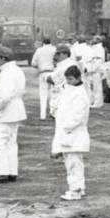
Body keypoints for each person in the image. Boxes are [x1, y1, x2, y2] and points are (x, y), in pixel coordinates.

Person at [0, 46, 27, 184]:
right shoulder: (17, 70)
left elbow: (4, 96)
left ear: (3, 58)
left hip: (6, 112)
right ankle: (11, 171)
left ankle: (2, 172)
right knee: (10, 142)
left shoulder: (7, 73)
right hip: (16, 110)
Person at [52, 65, 90, 201]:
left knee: (74, 163)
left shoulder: (80, 94)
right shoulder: (69, 90)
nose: (68, 81)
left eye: (71, 79)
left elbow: (77, 116)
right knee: (70, 162)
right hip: (67, 134)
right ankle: (79, 187)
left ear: (78, 78)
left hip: (74, 133)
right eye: (67, 79)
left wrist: (66, 127)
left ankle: (76, 189)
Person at [47, 44, 78, 118]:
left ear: (65, 54)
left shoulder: (66, 65)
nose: (56, 56)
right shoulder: (64, 64)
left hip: (63, 99)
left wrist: (48, 77)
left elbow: (50, 79)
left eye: (58, 54)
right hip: (61, 98)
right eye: (56, 54)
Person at [31, 37, 56, 120]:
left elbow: (33, 63)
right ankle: (53, 113)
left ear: (43, 42)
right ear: (50, 41)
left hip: (42, 73)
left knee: (43, 95)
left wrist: (39, 65)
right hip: (53, 72)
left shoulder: (39, 50)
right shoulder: (54, 49)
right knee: (54, 94)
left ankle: (42, 116)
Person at [88, 35, 106, 108]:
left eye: (95, 39)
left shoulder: (99, 48)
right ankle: (95, 101)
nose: (93, 40)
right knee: (95, 87)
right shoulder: (95, 47)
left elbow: (98, 60)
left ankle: (98, 103)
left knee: (97, 87)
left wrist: (93, 69)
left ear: (98, 40)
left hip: (97, 69)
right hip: (94, 68)